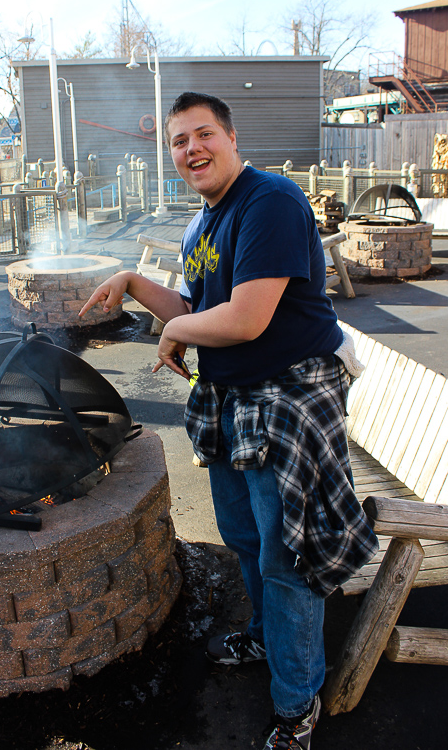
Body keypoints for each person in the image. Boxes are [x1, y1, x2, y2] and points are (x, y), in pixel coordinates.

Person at [79, 91, 378, 750]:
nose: (192, 149)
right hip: (232, 399)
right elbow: (197, 303)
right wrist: (132, 280)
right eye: (180, 141)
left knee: (285, 558)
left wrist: (176, 330)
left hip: (290, 400)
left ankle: (297, 702)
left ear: (232, 137)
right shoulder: (201, 224)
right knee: (243, 536)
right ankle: (268, 637)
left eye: (203, 133)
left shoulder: (267, 202)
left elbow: (244, 319)